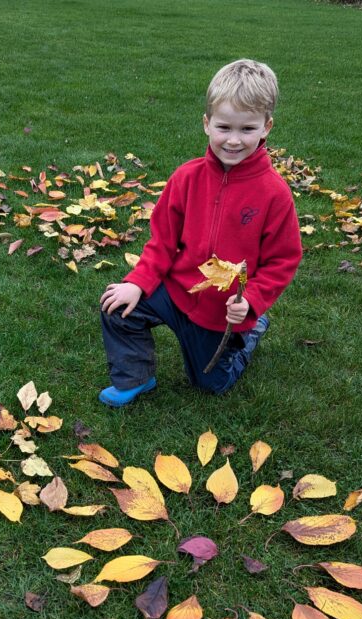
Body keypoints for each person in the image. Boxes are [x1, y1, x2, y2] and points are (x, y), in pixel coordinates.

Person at [99, 58, 302, 406]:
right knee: (116, 307)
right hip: (176, 290)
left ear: (267, 127)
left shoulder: (274, 193)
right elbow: (162, 240)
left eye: (247, 129)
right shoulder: (186, 178)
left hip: (220, 309)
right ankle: (136, 378)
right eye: (224, 127)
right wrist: (138, 282)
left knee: (210, 383)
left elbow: (283, 260)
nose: (234, 141)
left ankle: (251, 334)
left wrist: (251, 302)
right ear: (207, 124)